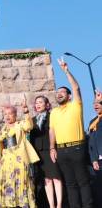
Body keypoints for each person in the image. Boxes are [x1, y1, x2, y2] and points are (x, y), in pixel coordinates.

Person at [49, 58, 94, 208]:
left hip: (77, 148)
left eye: (62, 92)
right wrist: (52, 147)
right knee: (70, 184)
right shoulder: (54, 112)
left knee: (83, 182)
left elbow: (76, 88)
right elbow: (52, 130)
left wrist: (66, 70)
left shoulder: (76, 105)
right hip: (61, 150)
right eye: (57, 92)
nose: (59, 94)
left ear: (69, 96)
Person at [0, 104, 39, 208]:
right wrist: (0, 159)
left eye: (10, 113)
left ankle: (23, 204)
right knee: (7, 182)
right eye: (5, 114)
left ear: (15, 115)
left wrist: (26, 111)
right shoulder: (3, 129)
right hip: (6, 160)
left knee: (21, 182)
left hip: (19, 159)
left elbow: (29, 126)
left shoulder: (20, 124)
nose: (7, 116)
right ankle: (9, 204)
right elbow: (1, 144)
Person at [29, 96, 63, 208]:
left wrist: (55, 148)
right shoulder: (32, 120)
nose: (38, 104)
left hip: (51, 150)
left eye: (40, 102)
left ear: (47, 104)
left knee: (56, 178)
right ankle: (51, 205)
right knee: (47, 180)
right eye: (36, 102)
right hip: (38, 153)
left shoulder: (52, 116)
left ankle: (59, 205)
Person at [88, 90, 102, 206]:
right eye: (94, 103)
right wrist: (93, 159)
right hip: (98, 161)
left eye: (99, 103)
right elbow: (91, 144)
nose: (95, 105)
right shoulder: (92, 122)